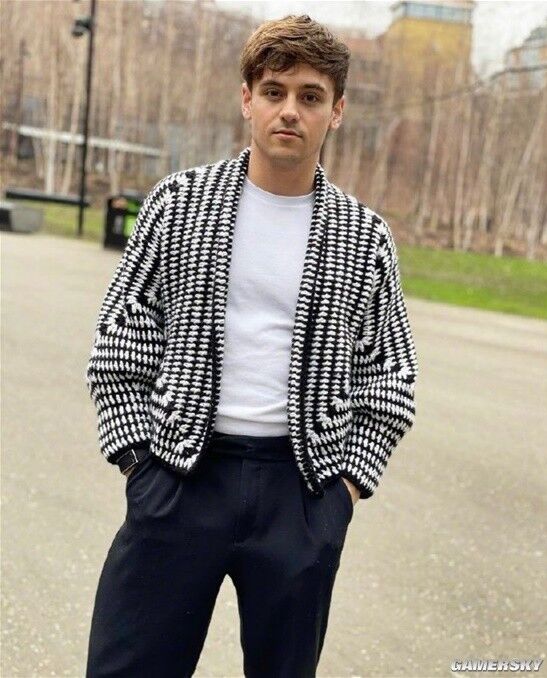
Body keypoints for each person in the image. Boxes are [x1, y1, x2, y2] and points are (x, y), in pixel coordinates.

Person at [85, 14, 419, 678]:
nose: (289, 110)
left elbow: (391, 376)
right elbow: (120, 337)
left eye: (310, 96)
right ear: (247, 100)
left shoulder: (364, 237)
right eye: (273, 91)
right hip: (180, 476)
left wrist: (341, 495)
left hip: (301, 491)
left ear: (337, 111)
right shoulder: (179, 204)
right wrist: (140, 467)